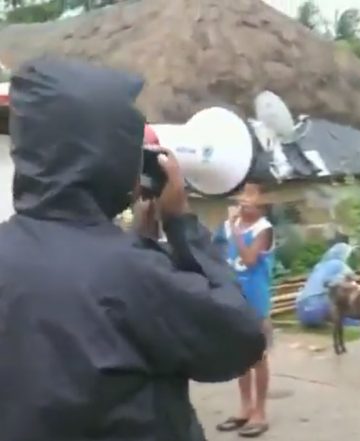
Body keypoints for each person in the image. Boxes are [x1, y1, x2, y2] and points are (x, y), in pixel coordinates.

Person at [0, 57, 265, 441]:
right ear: (109, 158)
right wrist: (181, 225)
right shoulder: (132, 272)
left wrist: (139, 243)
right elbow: (240, 338)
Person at [214, 182, 275, 438]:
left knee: (257, 357)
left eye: (252, 194)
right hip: (233, 299)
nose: (245, 199)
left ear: (262, 201)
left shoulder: (264, 229)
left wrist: (236, 230)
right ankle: (244, 408)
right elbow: (214, 252)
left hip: (256, 301)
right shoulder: (227, 227)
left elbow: (249, 260)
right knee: (241, 357)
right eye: (243, 194)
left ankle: (259, 412)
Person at [295, 242, 356, 327]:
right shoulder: (339, 264)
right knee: (342, 303)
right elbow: (352, 277)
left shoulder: (319, 266)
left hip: (302, 311)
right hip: (319, 308)